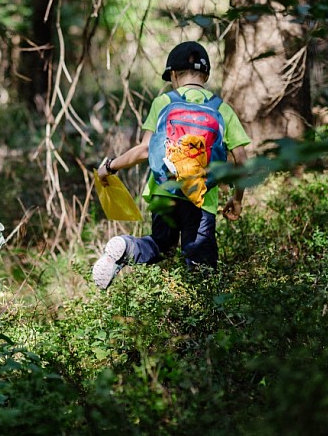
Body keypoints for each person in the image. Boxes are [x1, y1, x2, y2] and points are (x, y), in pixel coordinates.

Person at [92, 41, 250, 289]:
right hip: (201, 197)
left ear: (174, 75)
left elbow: (144, 150)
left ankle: (127, 247)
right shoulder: (222, 108)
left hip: (164, 191)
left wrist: (110, 167)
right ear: (206, 75)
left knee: (160, 245)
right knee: (200, 262)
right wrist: (237, 198)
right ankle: (201, 319)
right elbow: (241, 160)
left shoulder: (163, 102)